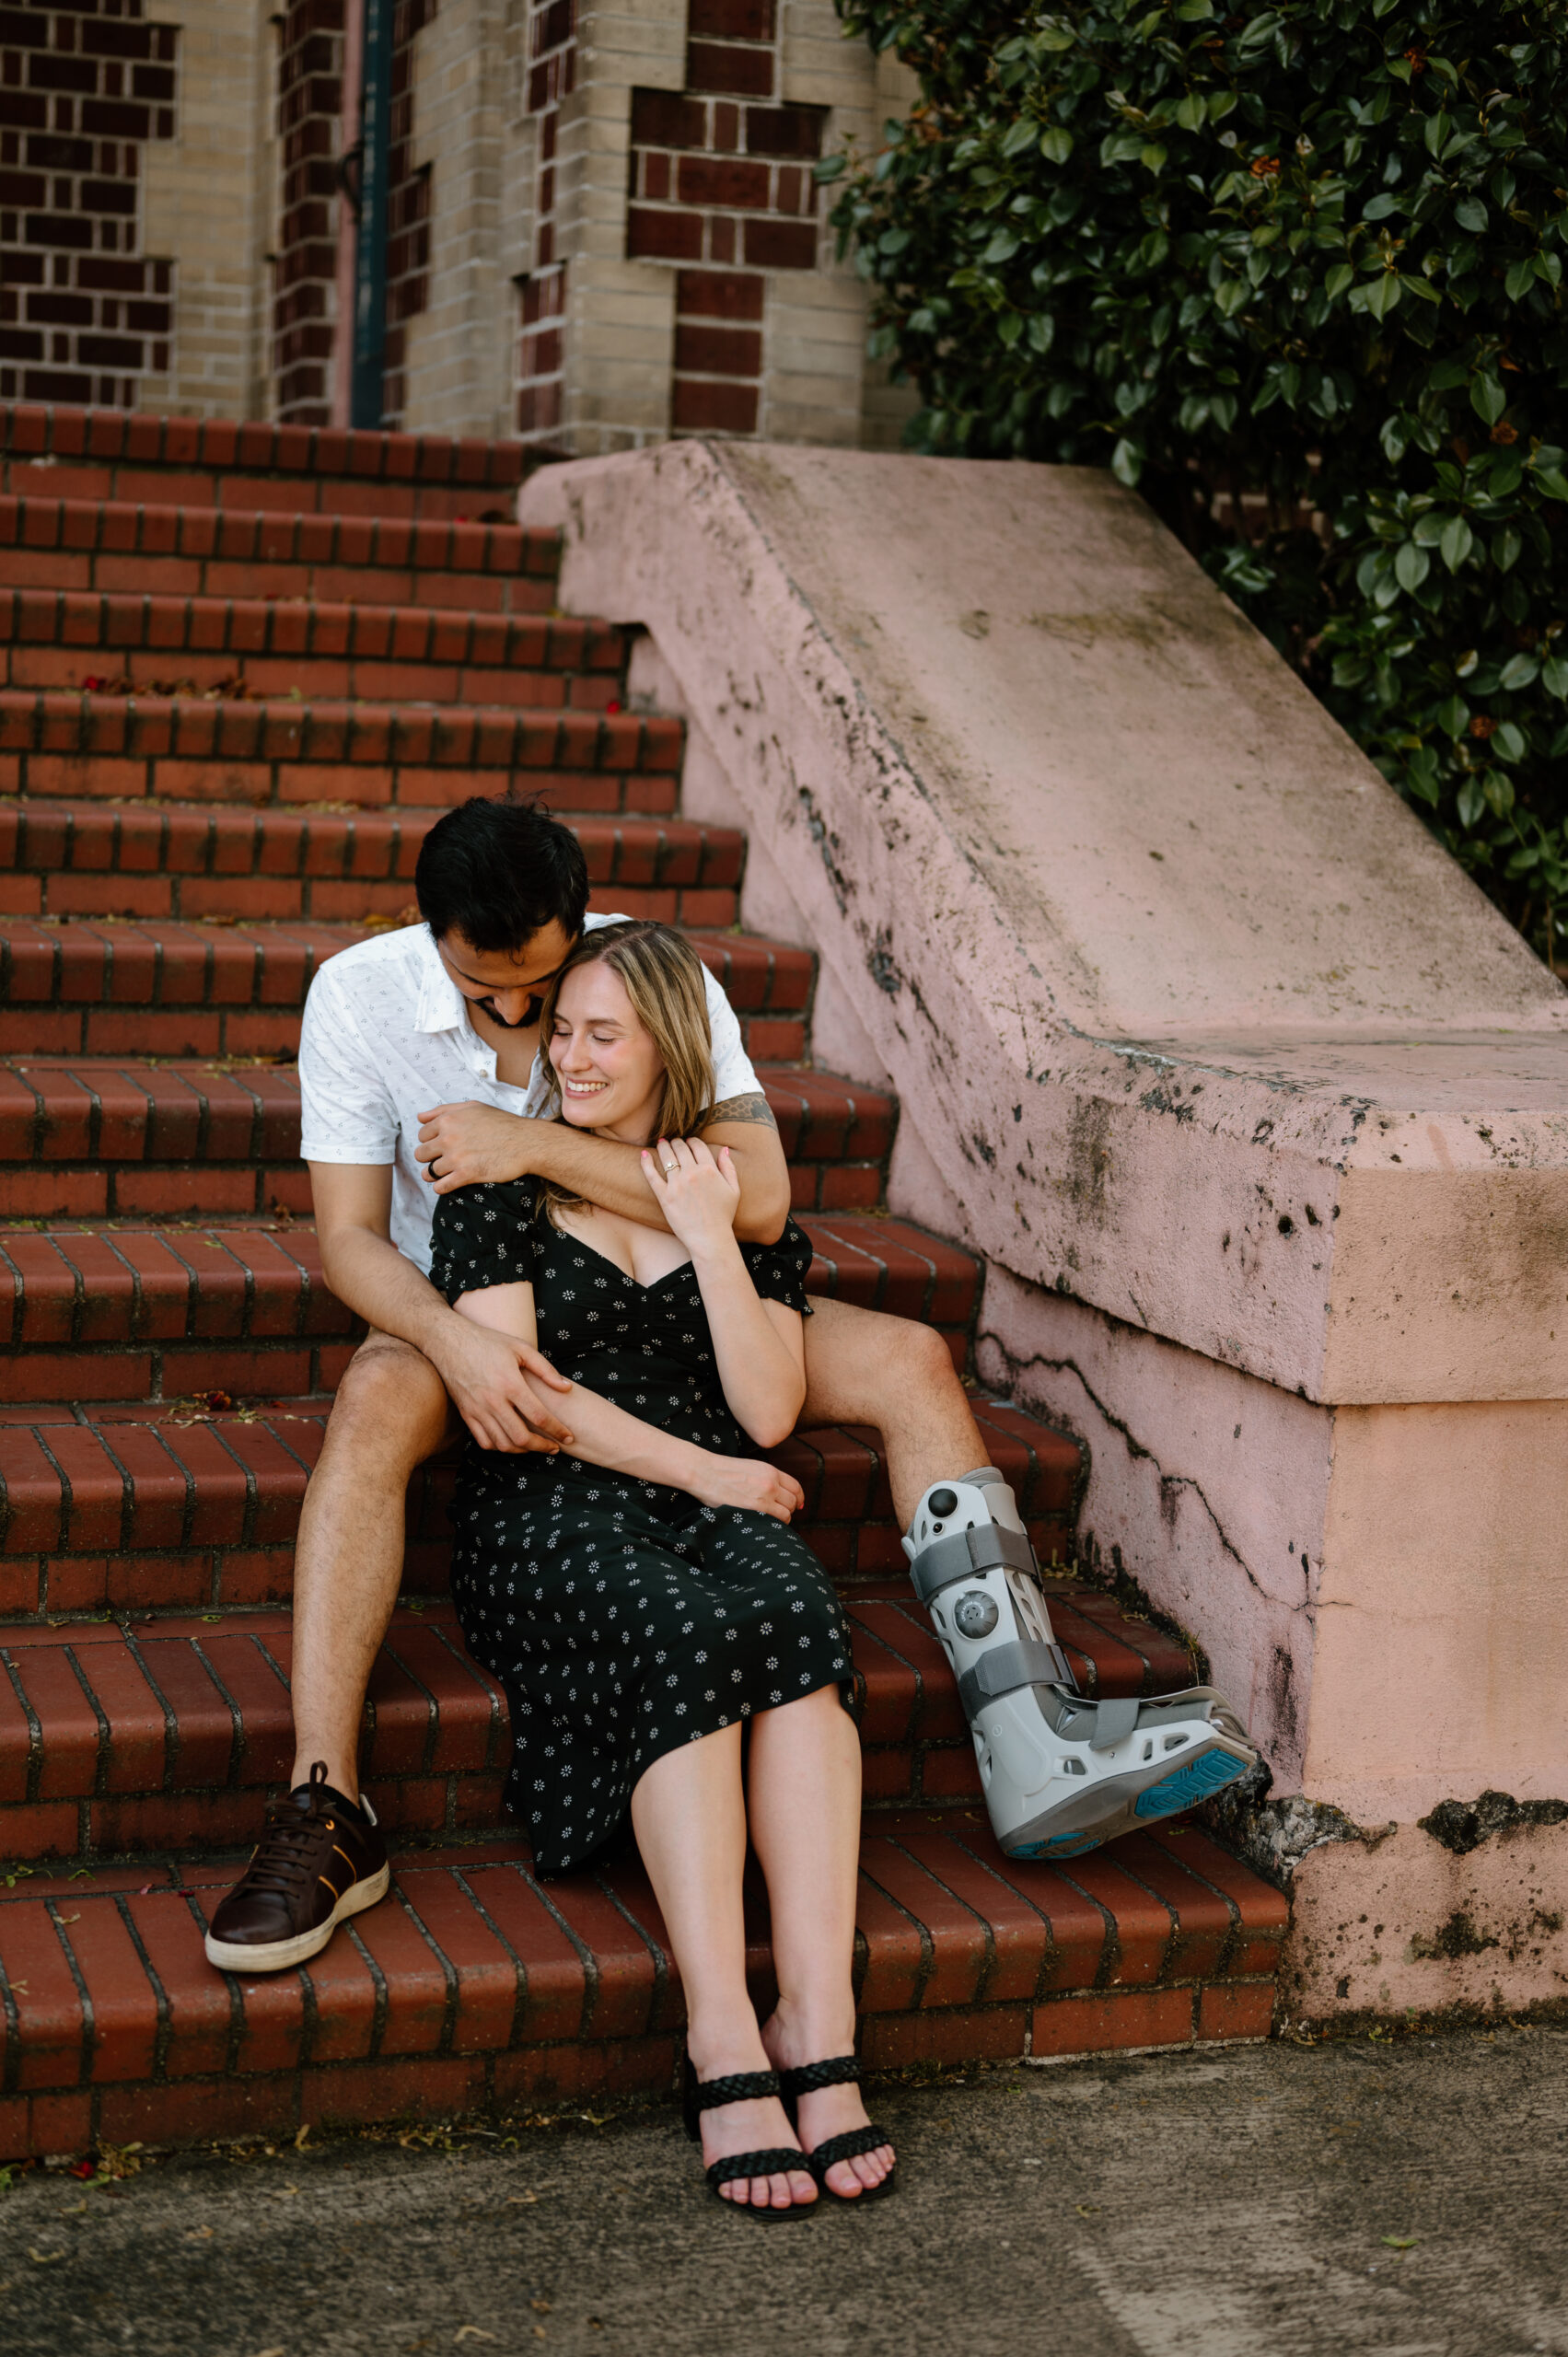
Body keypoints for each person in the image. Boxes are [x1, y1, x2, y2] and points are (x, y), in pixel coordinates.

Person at [203, 795, 995, 1999]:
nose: (528, 1023)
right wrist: (450, 1345)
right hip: (473, 1302)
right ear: (434, 942)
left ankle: (1020, 1714)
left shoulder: (638, 973)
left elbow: (764, 1202)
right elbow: (352, 1240)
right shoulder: (358, 998)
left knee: (911, 1360)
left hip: (669, 1280)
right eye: (490, 996)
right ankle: (327, 1800)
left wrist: (524, 1145)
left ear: (581, 927)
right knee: (373, 1399)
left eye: (546, 990)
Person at [429, 919, 895, 2214]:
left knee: (800, 1620)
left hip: (714, 1481)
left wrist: (707, 1234)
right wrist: (708, 1480)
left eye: (600, 1035)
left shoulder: (723, 1200)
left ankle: (816, 2017)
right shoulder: (498, 1199)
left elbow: (764, 1412)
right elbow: (531, 1399)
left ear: (668, 1050)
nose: (569, 1058)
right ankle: (721, 2036)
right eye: (558, 1032)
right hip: (554, 1505)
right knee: (688, 1630)